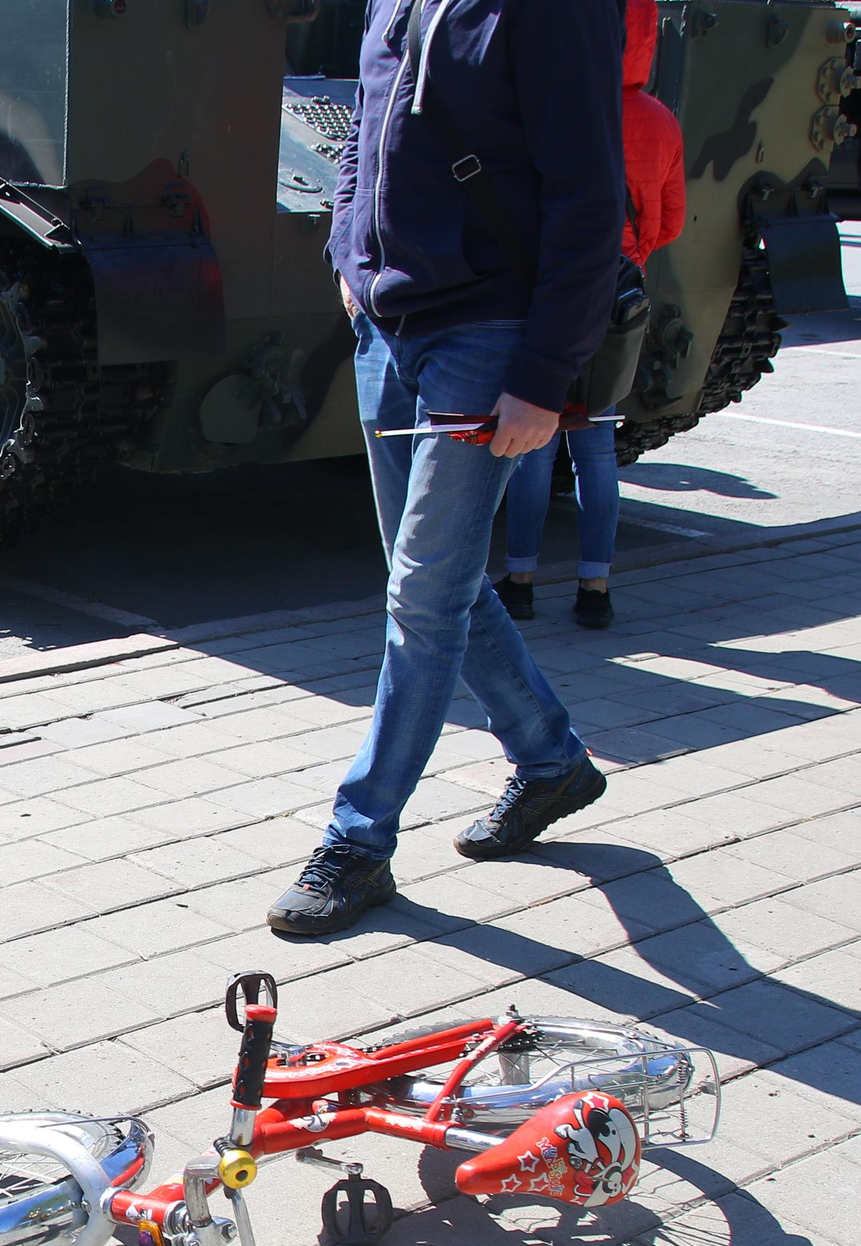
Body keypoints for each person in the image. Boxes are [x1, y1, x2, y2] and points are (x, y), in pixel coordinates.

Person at [267, 0, 624, 937]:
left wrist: (544, 378)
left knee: (423, 597)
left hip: (488, 329)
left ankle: (360, 838)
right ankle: (551, 760)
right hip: (388, 324)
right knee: (439, 583)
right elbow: (361, 128)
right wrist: (348, 246)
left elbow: (591, 193)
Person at [496, 0, 687, 631]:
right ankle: (594, 589)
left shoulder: (563, 103)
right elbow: (670, 223)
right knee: (595, 451)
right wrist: (629, 255)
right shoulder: (660, 121)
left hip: (552, 293)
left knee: (529, 451)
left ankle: (519, 581)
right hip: (618, 296)